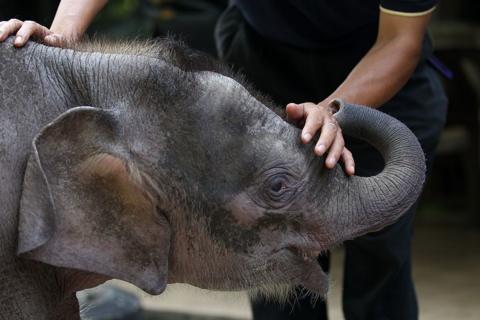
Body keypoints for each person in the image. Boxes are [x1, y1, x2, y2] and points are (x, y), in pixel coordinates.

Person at [0, 1, 447, 319]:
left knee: (380, 264)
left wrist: (332, 111)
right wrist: (60, 36)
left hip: (378, 86)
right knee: (270, 260)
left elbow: (399, 43)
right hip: (265, 63)